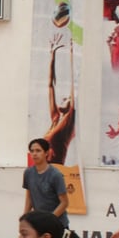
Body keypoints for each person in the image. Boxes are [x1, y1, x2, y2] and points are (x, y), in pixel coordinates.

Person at [44, 34, 76, 164]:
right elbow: (50, 86)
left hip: (57, 171)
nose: (64, 98)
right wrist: (53, 55)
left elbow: (74, 84)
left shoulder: (69, 120)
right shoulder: (56, 118)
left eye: (67, 98)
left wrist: (73, 53)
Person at [22, 138, 69, 227]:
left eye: (38, 151)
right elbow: (29, 198)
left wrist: (49, 219)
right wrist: (25, 218)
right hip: (39, 224)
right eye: (32, 151)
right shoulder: (28, 173)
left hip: (57, 224)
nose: (34, 154)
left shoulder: (56, 175)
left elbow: (64, 203)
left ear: (46, 153)